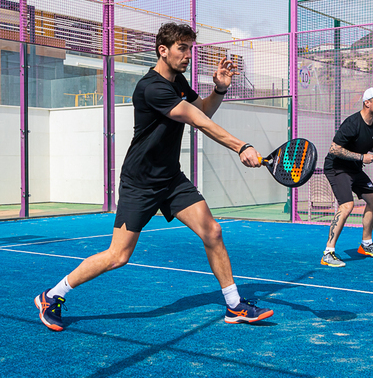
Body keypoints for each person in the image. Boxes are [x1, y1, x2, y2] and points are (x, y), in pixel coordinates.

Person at [34, 23, 273, 331]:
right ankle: (52, 295)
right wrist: (241, 145)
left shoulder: (178, 82)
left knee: (212, 232)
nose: (188, 55)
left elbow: (202, 110)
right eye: (182, 48)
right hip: (140, 183)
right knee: (118, 255)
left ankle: (234, 305)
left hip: (171, 179)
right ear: (163, 50)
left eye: (190, 48)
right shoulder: (152, 87)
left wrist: (220, 89)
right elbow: (194, 118)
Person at [320, 87, 373, 268]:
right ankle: (328, 253)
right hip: (336, 167)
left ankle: (366, 244)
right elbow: (334, 149)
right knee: (347, 205)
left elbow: (363, 144)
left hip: (354, 167)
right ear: (367, 103)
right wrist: (361, 157)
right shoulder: (351, 123)